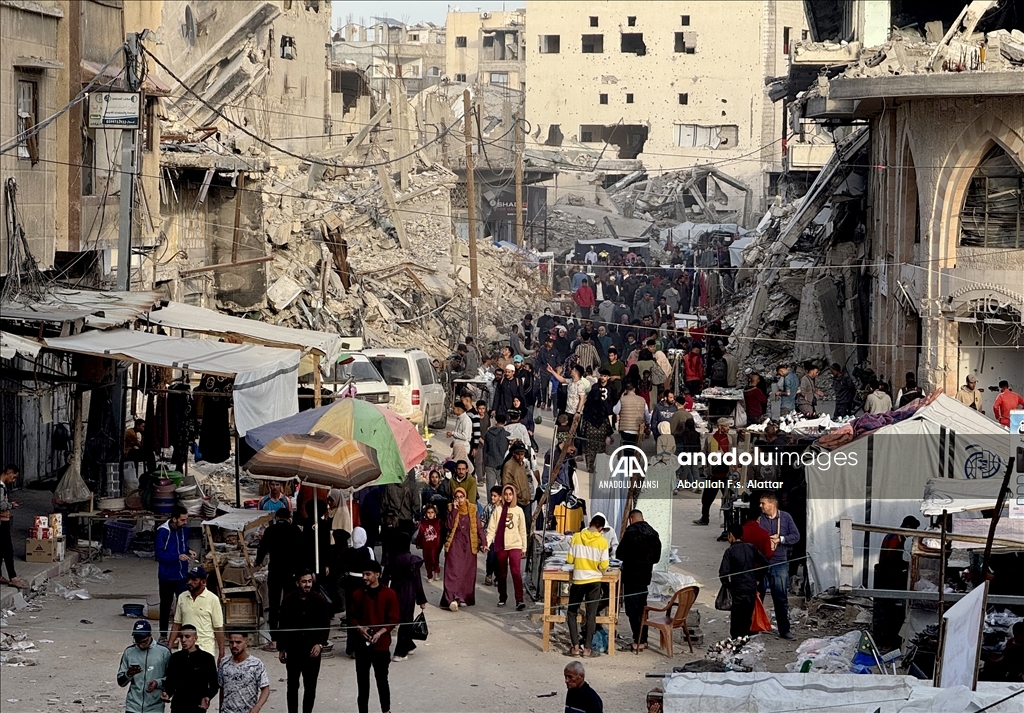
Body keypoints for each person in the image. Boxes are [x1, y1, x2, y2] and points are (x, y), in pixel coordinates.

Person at [277, 571, 331, 713]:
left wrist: (320, 644)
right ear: (297, 583)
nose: (307, 585)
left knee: (310, 686)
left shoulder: (319, 600)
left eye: (309, 581)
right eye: (304, 581)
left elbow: (325, 625)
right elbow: (282, 625)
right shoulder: (288, 600)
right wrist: (281, 648)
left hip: (312, 651)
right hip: (293, 650)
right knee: (292, 686)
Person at [350, 561, 399, 713]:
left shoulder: (389, 594)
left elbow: (393, 619)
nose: (364, 577)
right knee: (362, 684)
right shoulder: (357, 594)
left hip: (381, 644)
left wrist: (379, 633)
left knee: (382, 681)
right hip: (361, 645)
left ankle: (386, 710)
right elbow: (352, 617)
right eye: (363, 574)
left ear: (377, 575)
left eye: (368, 574)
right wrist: (360, 629)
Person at [255, 507, 302, 652]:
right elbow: (302, 552)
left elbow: (262, 549)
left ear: (276, 517)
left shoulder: (270, 531)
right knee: (291, 604)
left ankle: (274, 640)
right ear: (289, 517)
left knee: (274, 606)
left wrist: (257, 562)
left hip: (275, 572)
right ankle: (291, 637)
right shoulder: (295, 530)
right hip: (291, 573)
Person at [615, 510, 662, 652]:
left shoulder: (630, 533)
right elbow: (656, 558)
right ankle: (643, 638)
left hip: (631, 577)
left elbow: (620, 554)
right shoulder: (653, 533)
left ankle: (639, 640)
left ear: (631, 519)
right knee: (642, 609)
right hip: (645, 577)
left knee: (632, 610)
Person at [565, 515, 610, 657]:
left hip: (578, 580)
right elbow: (604, 565)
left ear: (589, 524)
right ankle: (588, 649)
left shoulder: (577, 537)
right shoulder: (602, 542)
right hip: (594, 581)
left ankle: (575, 647)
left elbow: (569, 559)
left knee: (572, 612)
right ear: (601, 528)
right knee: (591, 614)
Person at [757, 493, 800, 640]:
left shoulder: (786, 518)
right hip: (762, 563)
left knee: (780, 597)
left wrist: (781, 539)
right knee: (758, 595)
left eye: (763, 503)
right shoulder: (759, 519)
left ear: (772, 504)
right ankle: (755, 626)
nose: (760, 506)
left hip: (779, 562)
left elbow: (796, 536)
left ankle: (784, 630)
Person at [719, 523, 770, 640]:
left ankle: (737, 640)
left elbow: (723, 573)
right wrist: (757, 578)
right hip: (751, 587)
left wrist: (728, 585)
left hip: (737, 589)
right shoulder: (751, 547)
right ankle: (747, 638)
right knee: (748, 615)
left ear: (731, 535)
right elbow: (765, 563)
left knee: (737, 617)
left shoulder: (730, 551)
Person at [440, 487, 487, 611]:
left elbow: (479, 528)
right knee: (453, 571)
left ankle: (462, 597)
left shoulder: (472, 509)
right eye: (457, 497)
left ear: (465, 497)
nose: (459, 500)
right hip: (455, 544)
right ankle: (451, 598)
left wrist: (484, 542)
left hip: (469, 544)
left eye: (461, 497)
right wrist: (454, 510)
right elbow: (449, 526)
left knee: (467, 572)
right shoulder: (450, 508)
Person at [383, 533, 427, 661]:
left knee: (396, 618)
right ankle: (400, 652)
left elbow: (384, 579)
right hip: (409, 592)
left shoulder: (391, 559)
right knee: (406, 620)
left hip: (394, 590)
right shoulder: (412, 560)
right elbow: (417, 582)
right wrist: (421, 600)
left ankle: (408, 645)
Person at [486, 484, 528, 611]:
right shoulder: (498, 510)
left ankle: (519, 600)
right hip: (501, 545)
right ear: (503, 496)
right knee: (502, 574)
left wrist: (524, 548)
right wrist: (487, 543)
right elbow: (492, 528)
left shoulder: (519, 511)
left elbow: (522, 529)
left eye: (510, 494)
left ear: (514, 495)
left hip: (515, 545)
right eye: (506, 494)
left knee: (516, 573)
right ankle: (502, 597)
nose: (508, 497)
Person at [156, 504, 194, 642]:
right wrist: (177, 557)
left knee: (183, 605)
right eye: (182, 520)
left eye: (186, 519)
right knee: (165, 605)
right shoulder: (163, 531)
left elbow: (183, 545)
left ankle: (182, 634)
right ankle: (163, 635)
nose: (185, 523)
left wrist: (188, 551)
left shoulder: (184, 530)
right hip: (166, 575)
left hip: (181, 575)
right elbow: (159, 555)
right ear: (174, 519)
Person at [169, 566, 225, 659]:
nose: (190, 582)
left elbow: (218, 628)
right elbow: (176, 624)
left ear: (203, 582)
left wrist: (221, 652)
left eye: (194, 579)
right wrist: (169, 646)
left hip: (205, 649)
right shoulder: (182, 597)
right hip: (184, 648)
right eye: (189, 579)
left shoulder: (213, 599)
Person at [162, 623, 218, 713]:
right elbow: (170, 681)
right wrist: (167, 693)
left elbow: (214, 684)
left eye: (187, 637)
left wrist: (207, 696)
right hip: (178, 706)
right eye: (181, 637)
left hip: (197, 707)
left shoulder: (206, 658)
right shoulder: (175, 658)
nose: (183, 640)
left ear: (195, 638)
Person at [117, 619, 170, 713]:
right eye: (137, 642)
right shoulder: (129, 652)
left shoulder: (164, 652)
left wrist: (157, 683)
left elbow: (171, 678)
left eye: (144, 641)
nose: (141, 645)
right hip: (133, 706)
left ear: (150, 635)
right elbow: (121, 682)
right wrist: (128, 674)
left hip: (155, 707)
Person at [340, 526, 376, 657]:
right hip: (363, 584)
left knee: (351, 615)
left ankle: (351, 647)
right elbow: (373, 566)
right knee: (365, 614)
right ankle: (363, 644)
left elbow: (340, 565)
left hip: (350, 585)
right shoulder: (368, 550)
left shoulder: (347, 552)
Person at [218, 632, 270, 713]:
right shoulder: (224, 662)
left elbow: (265, 689)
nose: (234, 645)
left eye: (238, 642)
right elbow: (222, 688)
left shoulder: (256, 664)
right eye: (231, 642)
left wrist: (257, 707)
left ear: (246, 642)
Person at [0, 464, 27, 589]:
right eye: (14, 477)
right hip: (1, 521)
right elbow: (0, 505)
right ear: (8, 472)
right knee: (8, 550)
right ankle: (13, 577)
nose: (13, 480)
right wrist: (11, 505)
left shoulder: (3, 486)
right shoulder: (0, 487)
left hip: (3, 520)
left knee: (1, 550)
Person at [615, 382, 650, 446]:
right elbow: (647, 415)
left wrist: (621, 397)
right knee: (635, 448)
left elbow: (615, 411)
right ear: (634, 389)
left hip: (625, 429)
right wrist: (647, 425)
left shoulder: (622, 399)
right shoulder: (642, 400)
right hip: (638, 429)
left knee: (627, 449)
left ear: (625, 390)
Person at [414, 503, 443, 581]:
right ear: (425, 513)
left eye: (432, 512)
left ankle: (436, 572)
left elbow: (443, 532)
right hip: (426, 546)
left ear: (435, 513)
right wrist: (418, 543)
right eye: (428, 513)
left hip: (435, 546)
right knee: (427, 561)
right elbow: (420, 534)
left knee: (435, 560)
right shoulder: (423, 523)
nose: (430, 514)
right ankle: (429, 575)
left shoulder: (438, 522)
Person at [483, 413, 510, 493]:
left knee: (490, 489)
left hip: (490, 463)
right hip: (502, 465)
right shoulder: (507, 435)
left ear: (495, 421)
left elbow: (485, 450)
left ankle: (490, 504)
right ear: (505, 422)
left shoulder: (488, 434)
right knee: (503, 488)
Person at [481, 486, 502, 586]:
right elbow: (482, 522)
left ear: (500, 497)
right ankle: (489, 574)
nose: (492, 498)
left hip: (501, 539)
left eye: (495, 496)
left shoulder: (505, 509)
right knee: (491, 557)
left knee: (500, 559)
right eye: (492, 496)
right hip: (491, 538)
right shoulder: (488, 508)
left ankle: (498, 577)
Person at [446, 401, 474, 474]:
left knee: (460, 468)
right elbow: (458, 433)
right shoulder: (459, 418)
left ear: (458, 409)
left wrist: (453, 433)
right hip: (457, 445)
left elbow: (465, 436)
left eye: (454, 408)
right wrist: (454, 441)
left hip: (463, 447)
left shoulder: (466, 420)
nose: (453, 409)